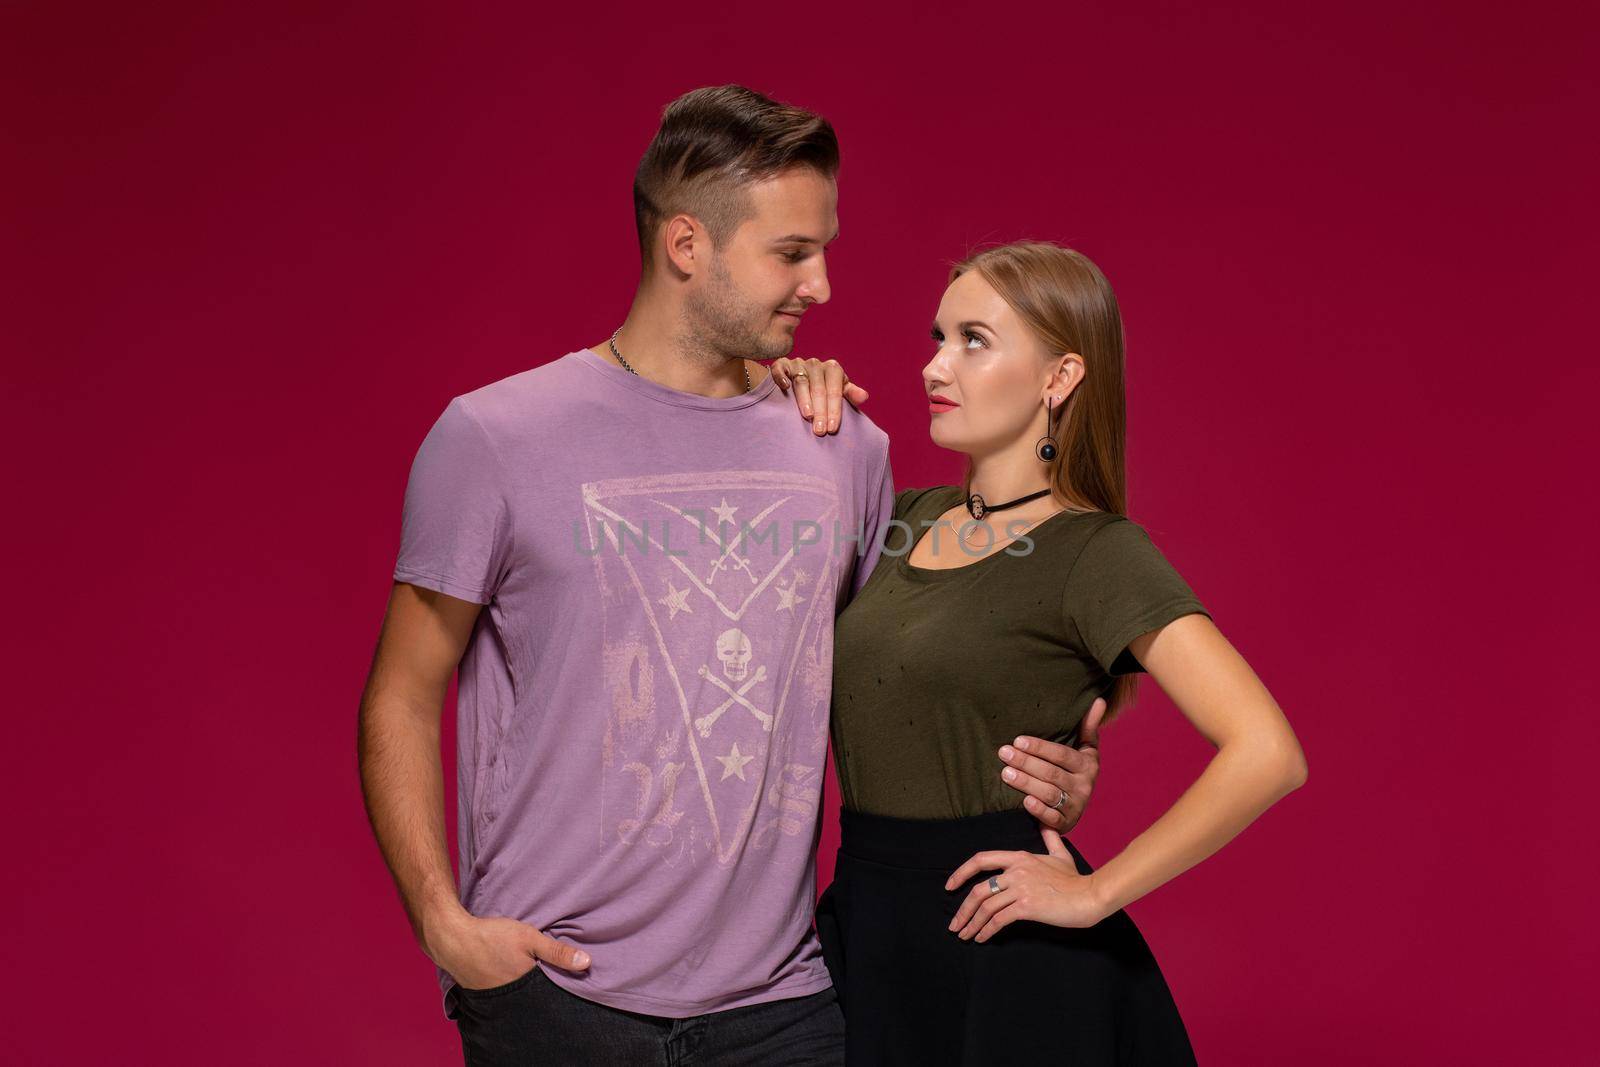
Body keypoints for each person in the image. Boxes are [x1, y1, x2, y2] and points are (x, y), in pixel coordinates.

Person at [356, 87, 1098, 1066]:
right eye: (791, 252)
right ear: (686, 246)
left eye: (823, 247)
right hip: (553, 998)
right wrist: (442, 923)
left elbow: (903, 676)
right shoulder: (494, 438)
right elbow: (401, 694)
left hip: (785, 1007)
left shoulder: (844, 447)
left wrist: (1050, 760)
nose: (823, 283)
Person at [772, 240, 1310, 1065]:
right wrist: (774, 383)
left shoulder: (1094, 551)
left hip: (1003, 957)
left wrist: (1097, 892)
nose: (933, 367)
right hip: (869, 930)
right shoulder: (898, 516)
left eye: (973, 341)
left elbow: (1268, 751)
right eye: (937, 338)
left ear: (1059, 378)